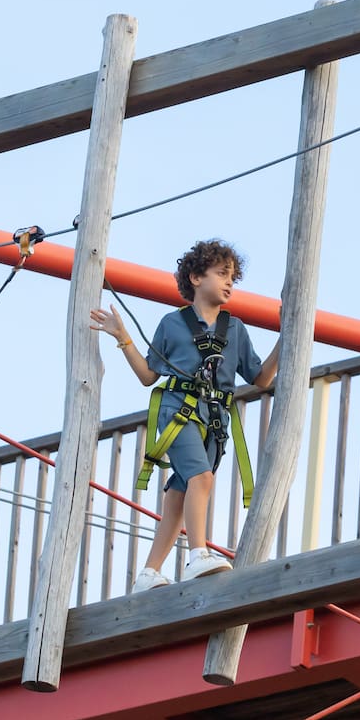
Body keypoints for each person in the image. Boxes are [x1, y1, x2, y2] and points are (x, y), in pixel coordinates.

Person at [91, 239, 278, 591]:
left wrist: (287, 340)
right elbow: (148, 375)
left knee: (181, 491)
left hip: (215, 419)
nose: (229, 282)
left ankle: (149, 573)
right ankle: (197, 555)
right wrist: (123, 337)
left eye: (233, 278)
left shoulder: (235, 329)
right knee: (202, 479)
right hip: (179, 410)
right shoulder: (172, 324)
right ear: (196, 277)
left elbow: (261, 377)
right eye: (222, 274)